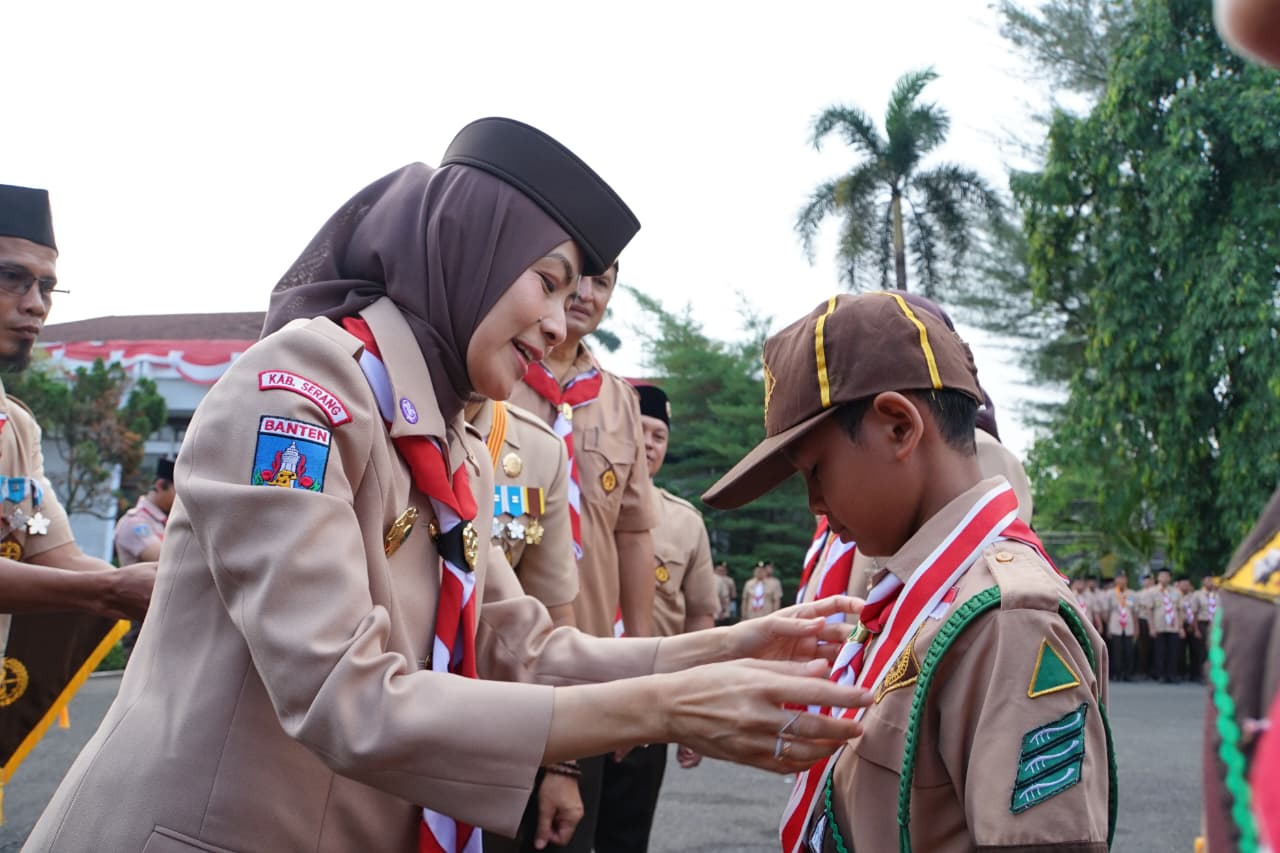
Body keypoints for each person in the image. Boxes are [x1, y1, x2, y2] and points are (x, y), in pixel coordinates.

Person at [25, 119, 871, 853]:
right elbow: (345, 696)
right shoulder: (299, 393)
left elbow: (523, 646)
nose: (558, 323)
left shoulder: (446, 437)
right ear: (469, 249)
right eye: (547, 280)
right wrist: (674, 705)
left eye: (574, 294)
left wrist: (726, 648)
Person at [703, 292, 1115, 853]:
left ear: (899, 427)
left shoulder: (1009, 620)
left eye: (817, 470)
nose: (814, 503)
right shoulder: (917, 594)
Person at [507, 257, 657, 850]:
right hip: (493, 665)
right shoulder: (496, 373)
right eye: (573, 277)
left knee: (569, 837)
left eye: (603, 281)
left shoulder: (619, 400)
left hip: (585, 670)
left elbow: (634, 533)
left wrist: (639, 664)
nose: (584, 294)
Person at [0, 184, 153, 654]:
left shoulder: (15, 425)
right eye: (12, 277)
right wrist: (107, 591)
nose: (36, 304)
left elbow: (56, 555)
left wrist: (175, 586)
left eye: (46, 287)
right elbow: (93, 585)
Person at [596, 384, 718, 853]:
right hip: (572, 693)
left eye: (659, 436)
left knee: (626, 841)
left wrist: (694, 714)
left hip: (647, 706)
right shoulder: (575, 501)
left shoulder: (685, 522)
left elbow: (700, 618)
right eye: (640, 431)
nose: (648, 444)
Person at [467, 396, 584, 853]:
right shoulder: (356, 406)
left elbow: (554, 620)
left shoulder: (540, 448)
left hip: (494, 731)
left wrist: (562, 765)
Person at [113, 457, 175, 565]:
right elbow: (167, 562)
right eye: (179, 493)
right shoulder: (135, 522)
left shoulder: (164, 521)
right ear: (160, 485)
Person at [1151, 567, 1184, 683]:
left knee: (1173, 652)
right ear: (1158, 578)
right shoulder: (1152, 592)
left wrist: (1181, 627)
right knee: (1160, 652)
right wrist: (1151, 627)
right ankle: (1161, 675)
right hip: (1159, 626)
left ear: (1170, 578)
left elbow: (1180, 610)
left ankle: (1172, 675)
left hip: (1173, 626)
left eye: (1166, 576)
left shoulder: (1177, 592)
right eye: (1162, 576)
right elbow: (1149, 611)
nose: (1164, 578)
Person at [1105, 572, 1138, 682]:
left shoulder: (1132, 594)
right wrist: (1108, 628)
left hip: (1129, 626)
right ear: (1116, 580)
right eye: (1119, 578)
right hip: (1115, 625)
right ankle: (1117, 673)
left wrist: (1136, 628)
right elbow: (1107, 612)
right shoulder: (1110, 594)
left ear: (1126, 580)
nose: (1122, 581)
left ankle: (1128, 673)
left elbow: (1134, 613)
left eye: (1123, 578)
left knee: (1129, 651)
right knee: (1116, 651)